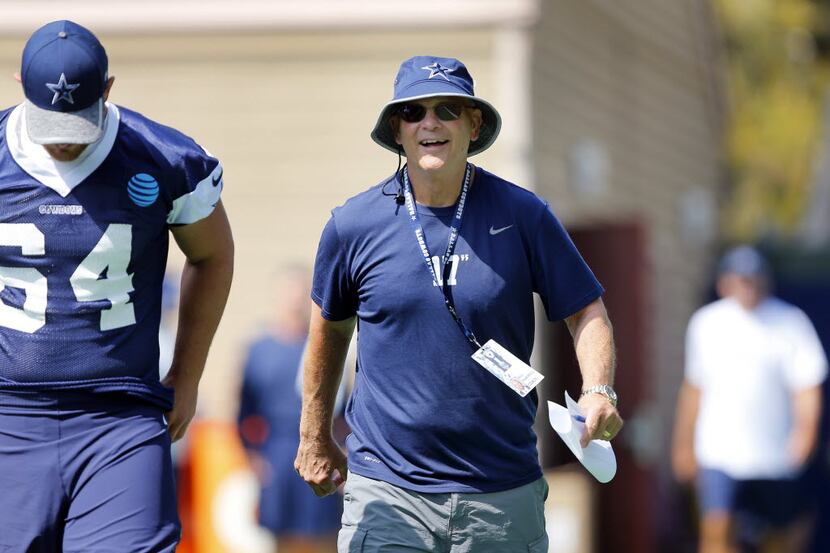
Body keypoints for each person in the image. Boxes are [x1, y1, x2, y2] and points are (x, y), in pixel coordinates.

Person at [295, 55, 623, 552]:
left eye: (447, 109)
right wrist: (314, 435)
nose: (430, 122)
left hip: (501, 490)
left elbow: (586, 311)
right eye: (413, 112)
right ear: (397, 130)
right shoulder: (353, 224)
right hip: (387, 489)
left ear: (473, 124)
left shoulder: (524, 215)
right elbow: (329, 331)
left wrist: (599, 388)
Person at [0, 20, 234, 552]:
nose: (62, 142)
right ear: (20, 86)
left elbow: (212, 255)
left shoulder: (164, 157)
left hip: (119, 418)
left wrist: (187, 376)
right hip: (7, 412)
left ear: (107, 91)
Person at [672, 245, 827, 553]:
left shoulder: (791, 322)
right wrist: (683, 444)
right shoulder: (706, 323)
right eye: (740, 279)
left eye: (752, 279)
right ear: (724, 282)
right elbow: (693, 388)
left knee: (781, 535)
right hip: (718, 453)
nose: (747, 287)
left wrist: (805, 433)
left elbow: (808, 386)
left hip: (774, 456)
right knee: (716, 529)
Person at [238, 266, 342, 553]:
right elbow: (244, 412)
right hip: (278, 453)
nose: (294, 301)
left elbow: (344, 411)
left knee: (323, 533)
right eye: (289, 293)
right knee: (281, 537)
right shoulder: (259, 350)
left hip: (320, 445)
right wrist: (253, 457)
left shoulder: (324, 348)